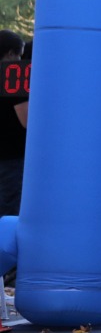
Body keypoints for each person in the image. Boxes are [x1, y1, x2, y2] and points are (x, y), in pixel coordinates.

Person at [0, 30, 27, 219]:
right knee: (8, 215)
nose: (20, 60)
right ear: (10, 53)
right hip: (12, 159)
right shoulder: (13, 78)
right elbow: (26, 121)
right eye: (19, 55)